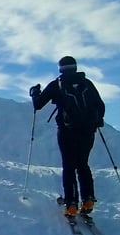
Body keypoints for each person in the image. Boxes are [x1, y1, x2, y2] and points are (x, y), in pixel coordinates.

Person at [30, 56, 106, 217]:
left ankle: (71, 204)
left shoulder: (57, 84)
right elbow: (100, 105)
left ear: (61, 68)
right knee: (83, 164)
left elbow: (38, 105)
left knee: (69, 165)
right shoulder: (87, 83)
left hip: (67, 131)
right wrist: (97, 121)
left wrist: (34, 93)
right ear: (76, 67)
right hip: (87, 131)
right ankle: (88, 200)